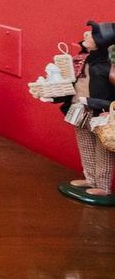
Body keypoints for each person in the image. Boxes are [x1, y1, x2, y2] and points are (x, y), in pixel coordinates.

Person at [44, 21, 115, 206]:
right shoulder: (82, 61)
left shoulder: (107, 68)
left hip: (100, 114)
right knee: (85, 145)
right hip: (79, 109)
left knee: (103, 150)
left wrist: (94, 103)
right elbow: (72, 84)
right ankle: (90, 178)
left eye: (92, 35)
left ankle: (103, 186)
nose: (86, 35)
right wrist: (55, 95)